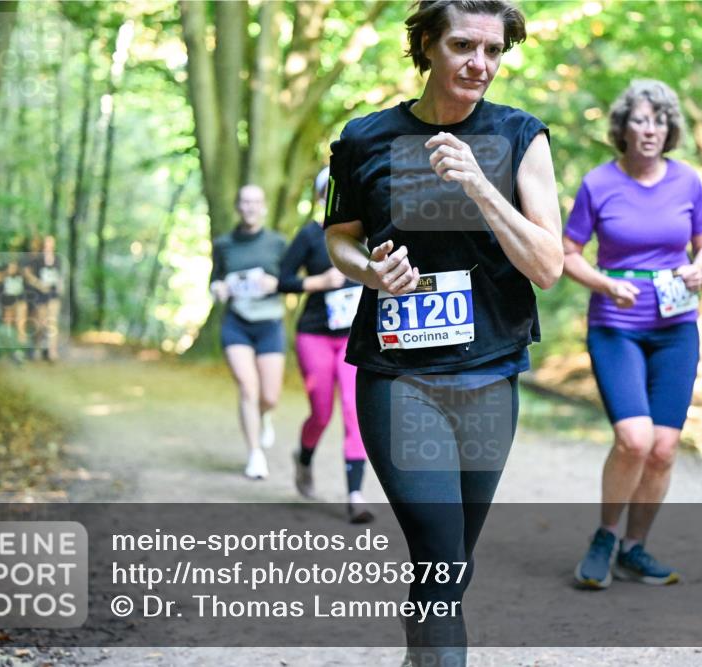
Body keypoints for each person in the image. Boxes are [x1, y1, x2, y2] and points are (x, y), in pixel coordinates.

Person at [324, 1, 562, 664]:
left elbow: (548, 265)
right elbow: (338, 241)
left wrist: (482, 186)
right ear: (426, 44)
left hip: (490, 376)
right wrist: (371, 271)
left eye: (493, 51)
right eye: (462, 46)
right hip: (400, 379)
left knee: (450, 565)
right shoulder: (365, 137)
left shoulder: (521, 136)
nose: (479, 64)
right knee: (436, 552)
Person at [562, 79, 702, 589]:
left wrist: (701, 268)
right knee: (634, 439)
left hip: (676, 329)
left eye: (659, 121)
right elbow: (566, 255)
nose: (650, 129)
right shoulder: (598, 184)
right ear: (623, 128)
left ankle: (635, 548)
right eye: (640, 120)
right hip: (617, 328)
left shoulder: (688, 182)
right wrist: (605, 283)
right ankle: (605, 535)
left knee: (664, 449)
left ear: (668, 129)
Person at [279, 167, 373, 523]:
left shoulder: (370, 234)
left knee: (353, 409)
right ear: (321, 197)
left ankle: (355, 496)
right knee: (322, 412)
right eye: (329, 191)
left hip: (353, 338)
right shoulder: (308, 236)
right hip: (314, 334)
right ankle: (303, 459)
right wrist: (318, 282)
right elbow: (282, 281)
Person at [210, 184, 287, 480]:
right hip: (237, 322)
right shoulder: (224, 244)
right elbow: (215, 279)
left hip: (269, 323)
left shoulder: (278, 243)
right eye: (245, 201)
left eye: (256, 202)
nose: (250, 207)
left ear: (264, 207)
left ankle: (266, 415)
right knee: (247, 387)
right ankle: (255, 454)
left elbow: (290, 280)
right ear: (237, 206)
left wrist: (275, 284)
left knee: (270, 396)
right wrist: (218, 288)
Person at [24, 235, 63, 361]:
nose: (48, 246)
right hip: (40, 295)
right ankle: (36, 348)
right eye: (46, 244)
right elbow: (27, 274)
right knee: (41, 324)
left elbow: (60, 276)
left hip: (53, 294)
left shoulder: (58, 259)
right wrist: (39, 284)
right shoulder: (37, 260)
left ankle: (52, 351)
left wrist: (60, 286)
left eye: (50, 244)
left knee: (52, 323)